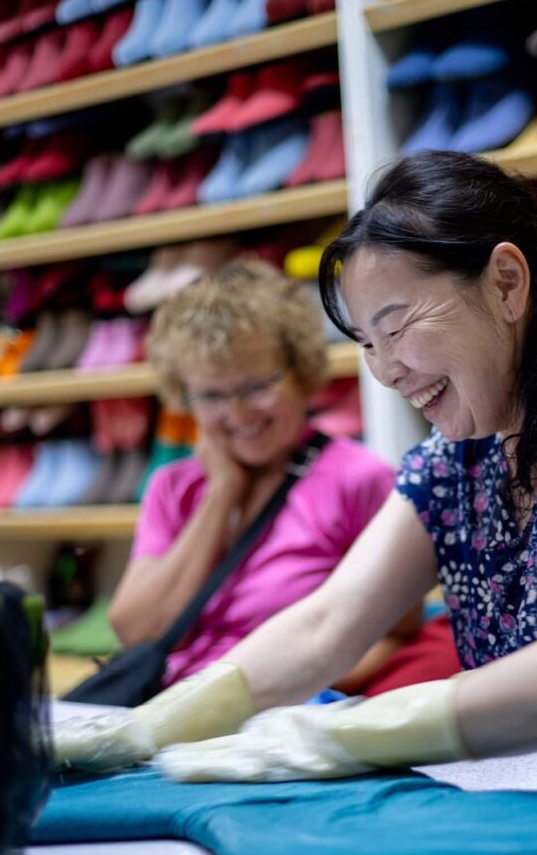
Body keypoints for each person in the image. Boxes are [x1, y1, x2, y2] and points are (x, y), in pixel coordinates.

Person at [55, 151, 537, 778]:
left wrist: (347, 734)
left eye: (399, 326)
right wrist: (147, 730)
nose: (386, 372)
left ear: (505, 282)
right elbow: (325, 626)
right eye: (368, 345)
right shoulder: (461, 455)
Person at [107, 259, 449, 695]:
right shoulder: (174, 487)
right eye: (212, 395)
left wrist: (256, 695)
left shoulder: (359, 479)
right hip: (174, 714)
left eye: (256, 387)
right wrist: (222, 495)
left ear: (301, 373)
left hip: (284, 711)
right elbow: (136, 630)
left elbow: (394, 636)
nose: (238, 414)